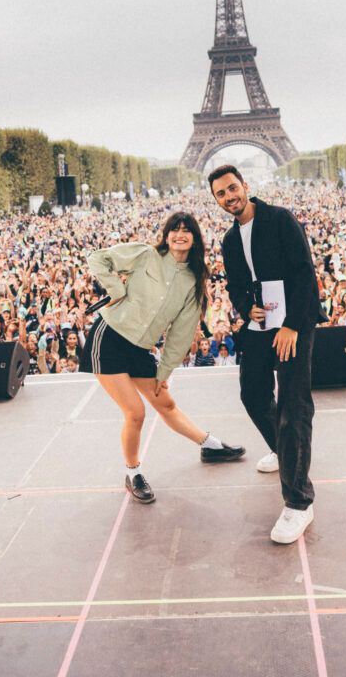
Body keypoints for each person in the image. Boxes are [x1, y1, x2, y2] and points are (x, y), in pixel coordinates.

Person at [81, 211, 245, 504]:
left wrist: (165, 370)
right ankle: (133, 473)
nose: (180, 235)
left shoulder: (194, 280)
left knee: (166, 402)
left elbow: (182, 332)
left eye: (186, 231)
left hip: (140, 347)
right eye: (174, 229)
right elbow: (97, 258)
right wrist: (116, 288)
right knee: (135, 412)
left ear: (195, 239)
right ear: (166, 234)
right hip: (109, 339)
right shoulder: (145, 255)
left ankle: (209, 445)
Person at [209, 165, 325, 544]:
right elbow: (237, 286)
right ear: (217, 201)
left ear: (245, 186)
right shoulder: (228, 240)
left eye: (232, 188)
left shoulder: (280, 219)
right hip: (261, 325)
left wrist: (292, 324)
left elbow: (305, 273)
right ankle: (284, 451)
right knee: (252, 393)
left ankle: (299, 502)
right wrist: (247, 309)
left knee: (294, 405)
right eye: (221, 194)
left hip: (294, 321)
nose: (229, 197)